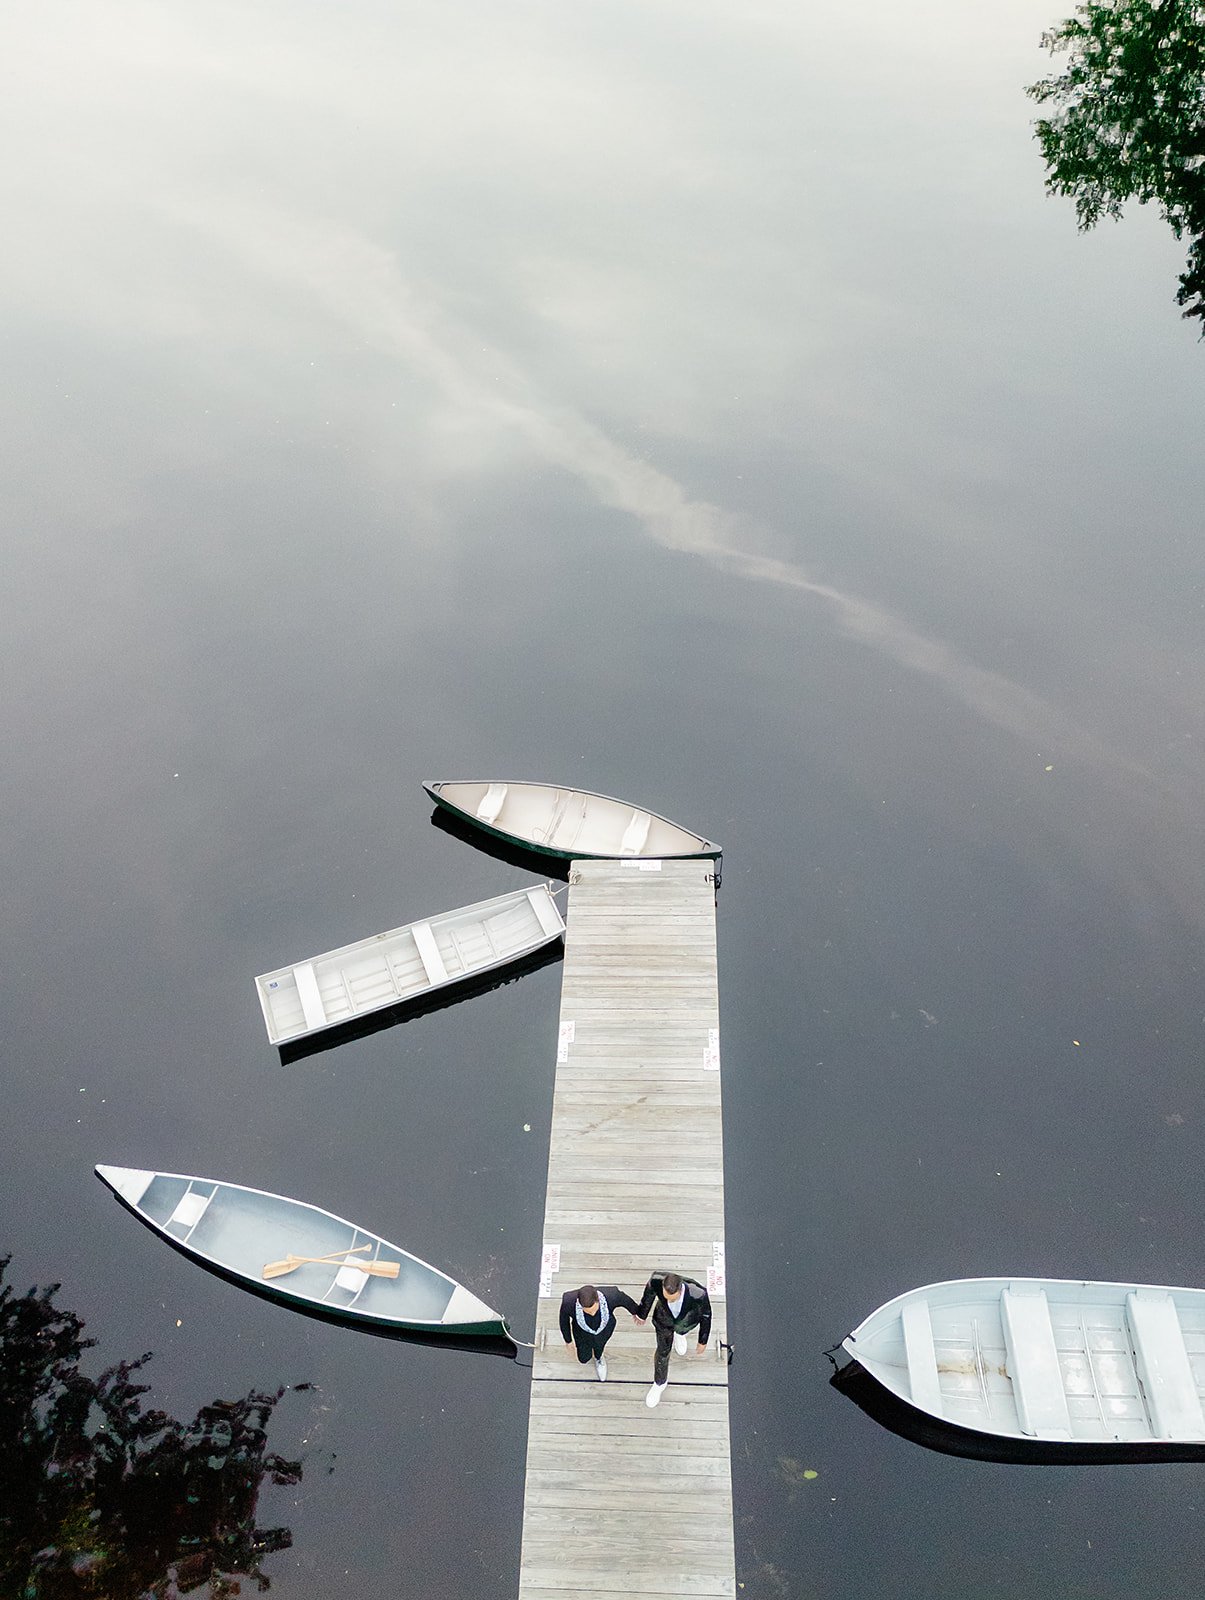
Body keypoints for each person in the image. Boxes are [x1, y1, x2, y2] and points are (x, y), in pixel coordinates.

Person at [633, 1269, 712, 1407]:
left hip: (685, 1322)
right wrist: (642, 1313)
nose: (669, 1300)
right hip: (664, 1321)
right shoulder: (656, 1280)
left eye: (672, 1298)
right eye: (666, 1297)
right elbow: (648, 1295)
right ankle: (660, 1383)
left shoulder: (699, 1294)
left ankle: (680, 1335)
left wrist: (702, 1340)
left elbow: (706, 1315)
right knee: (662, 1352)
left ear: (680, 1290)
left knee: (681, 1330)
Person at [558, 1283, 640, 1381]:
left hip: (604, 1328)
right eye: (587, 1311)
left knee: (599, 1346)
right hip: (581, 1332)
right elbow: (563, 1319)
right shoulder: (568, 1301)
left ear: (598, 1300)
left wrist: (638, 1313)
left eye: (594, 1310)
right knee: (584, 1359)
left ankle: (599, 1357)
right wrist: (568, 1340)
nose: (592, 1313)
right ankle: (590, 1354)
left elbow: (626, 1301)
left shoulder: (612, 1295)